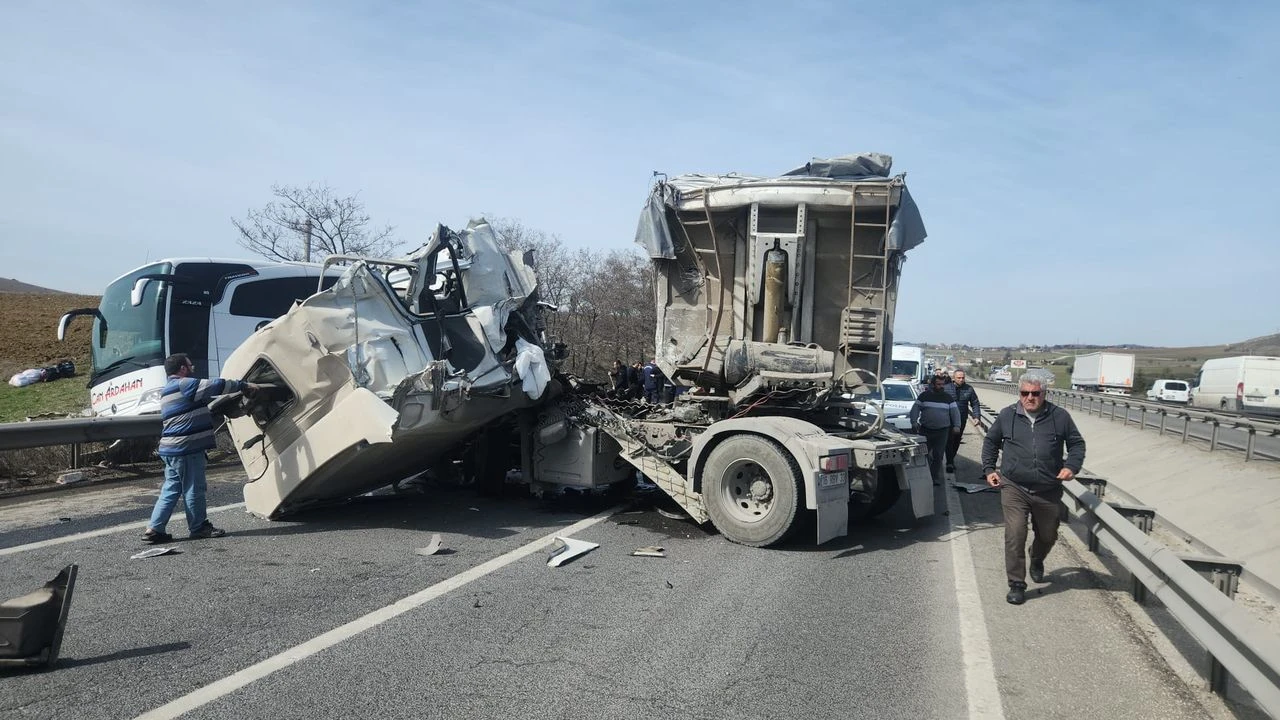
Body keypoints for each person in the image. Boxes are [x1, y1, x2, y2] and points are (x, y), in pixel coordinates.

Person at [981, 376, 1086, 605]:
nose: (1030, 398)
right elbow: (991, 441)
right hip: (1014, 486)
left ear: (1044, 394)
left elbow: (1077, 444)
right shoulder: (1007, 415)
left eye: (1035, 393)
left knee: (1048, 535)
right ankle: (1017, 584)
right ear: (1019, 394)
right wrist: (989, 469)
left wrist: (1071, 466)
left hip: (1048, 488)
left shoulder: (1059, 417)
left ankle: (1037, 558)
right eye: (1025, 393)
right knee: (1015, 534)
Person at [142, 353, 259, 543]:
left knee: (171, 489)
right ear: (182, 369)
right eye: (190, 365)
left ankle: (154, 528)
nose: (193, 369)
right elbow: (216, 385)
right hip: (186, 449)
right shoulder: (185, 384)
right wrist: (243, 385)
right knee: (194, 488)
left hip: (170, 450)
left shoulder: (167, 390)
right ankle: (199, 527)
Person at [908, 374, 960, 486]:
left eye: (942, 384)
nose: (941, 386)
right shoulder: (924, 396)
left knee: (938, 455)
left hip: (942, 431)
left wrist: (957, 426)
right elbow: (915, 409)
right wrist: (913, 422)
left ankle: (934, 477)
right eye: (938, 384)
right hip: (925, 430)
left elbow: (955, 413)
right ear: (932, 384)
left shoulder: (948, 398)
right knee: (923, 454)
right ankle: (922, 476)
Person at [944, 369, 983, 473]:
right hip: (948, 419)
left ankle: (951, 459)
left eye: (963, 378)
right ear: (953, 378)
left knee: (956, 440)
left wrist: (976, 417)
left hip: (961, 418)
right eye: (959, 378)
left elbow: (975, 403)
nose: (961, 380)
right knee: (949, 440)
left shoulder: (969, 389)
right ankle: (949, 462)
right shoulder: (946, 388)